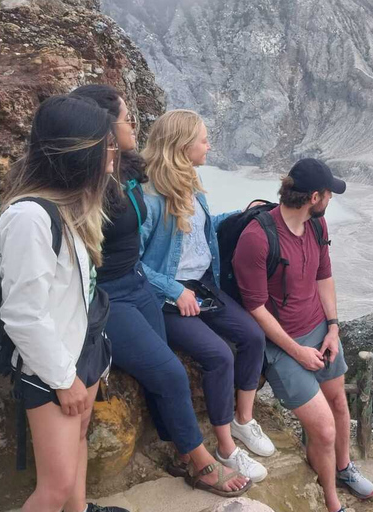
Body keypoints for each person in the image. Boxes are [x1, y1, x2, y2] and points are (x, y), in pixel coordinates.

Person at [69, 86, 251, 497]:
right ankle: (203, 462)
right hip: (108, 294)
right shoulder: (83, 182)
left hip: (135, 284)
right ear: (104, 126)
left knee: (162, 373)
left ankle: (178, 450)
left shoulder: (129, 173)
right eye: (125, 117)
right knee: (169, 370)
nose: (133, 124)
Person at [0, 95, 128, 512]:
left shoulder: (69, 207)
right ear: (80, 151)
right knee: (53, 486)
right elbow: (22, 313)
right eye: (106, 143)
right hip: (50, 367)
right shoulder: (30, 218)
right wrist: (62, 379)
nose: (115, 151)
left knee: (79, 441)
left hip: (78, 353)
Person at [139, 109, 274, 486]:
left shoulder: (191, 181)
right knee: (219, 355)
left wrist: (242, 214)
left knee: (252, 336)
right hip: (167, 298)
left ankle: (242, 421)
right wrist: (173, 289)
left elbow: (199, 232)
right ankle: (226, 449)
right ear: (183, 146)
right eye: (203, 139)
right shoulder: (150, 198)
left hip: (202, 287)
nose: (209, 145)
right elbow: (129, 261)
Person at [233, 158, 373, 512]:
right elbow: (256, 308)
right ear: (315, 196)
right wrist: (296, 351)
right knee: (324, 430)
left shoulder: (316, 225)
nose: (331, 199)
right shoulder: (257, 238)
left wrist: (333, 327)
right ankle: (330, 501)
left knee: (340, 405)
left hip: (319, 330)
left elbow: (323, 276)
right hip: (283, 346)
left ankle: (343, 469)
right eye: (329, 193)